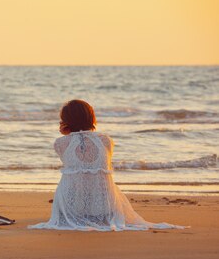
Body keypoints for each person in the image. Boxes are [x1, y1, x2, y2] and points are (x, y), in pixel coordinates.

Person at [29, 99, 184, 231]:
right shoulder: (106, 140)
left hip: (72, 208)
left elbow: (74, 163)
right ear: (91, 118)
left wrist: (66, 135)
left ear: (66, 122)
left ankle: (77, 213)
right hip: (104, 208)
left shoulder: (60, 143)